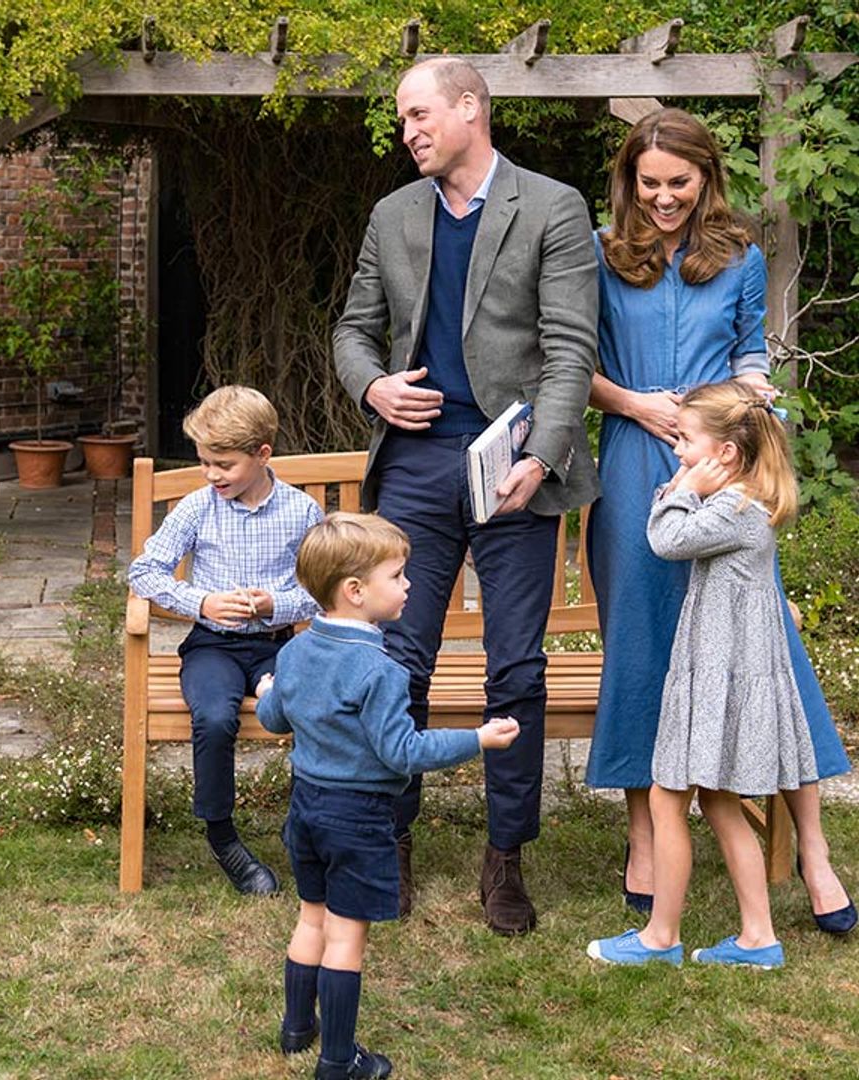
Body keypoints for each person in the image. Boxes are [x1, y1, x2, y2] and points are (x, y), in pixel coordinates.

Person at [333, 57, 598, 933]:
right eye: (403, 119)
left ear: (470, 109)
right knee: (397, 664)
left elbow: (569, 351)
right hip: (413, 467)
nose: (407, 132)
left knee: (515, 668)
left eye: (418, 115)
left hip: (514, 470)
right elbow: (350, 329)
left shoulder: (553, 207)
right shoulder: (392, 215)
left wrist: (546, 455)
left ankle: (505, 857)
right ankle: (392, 840)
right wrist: (372, 387)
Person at [584, 107, 854, 934]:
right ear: (630, 180)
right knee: (642, 640)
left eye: (679, 183)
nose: (664, 199)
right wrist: (639, 405)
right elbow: (574, 363)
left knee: (763, 640)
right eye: (650, 183)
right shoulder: (599, 253)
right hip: (636, 462)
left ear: (707, 179)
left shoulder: (737, 256)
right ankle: (643, 834)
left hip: (726, 466)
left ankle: (812, 847)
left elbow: (750, 350)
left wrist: (750, 390)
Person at [256, 512, 520, 1079]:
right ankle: (338, 1061)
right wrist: (478, 738)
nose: (408, 586)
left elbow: (275, 717)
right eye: (398, 576)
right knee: (346, 936)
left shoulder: (296, 652)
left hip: (305, 807)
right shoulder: (381, 671)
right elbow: (403, 752)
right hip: (358, 816)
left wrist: (265, 689)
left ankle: (297, 1029)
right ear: (355, 592)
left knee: (311, 919)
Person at [589, 382, 820, 968]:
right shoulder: (742, 502)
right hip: (719, 673)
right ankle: (757, 937)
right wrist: (686, 486)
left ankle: (659, 938)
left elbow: (665, 540)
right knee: (717, 802)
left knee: (668, 800)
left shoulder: (733, 508)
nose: (679, 452)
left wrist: (681, 490)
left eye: (688, 441)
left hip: (719, 680)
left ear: (727, 455)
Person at [128, 385, 322, 895]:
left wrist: (274, 604)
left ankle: (302, 828)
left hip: (279, 646)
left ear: (262, 454)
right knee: (214, 718)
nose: (212, 475)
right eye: (204, 463)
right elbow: (144, 572)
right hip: (212, 647)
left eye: (224, 464)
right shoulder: (197, 508)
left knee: (309, 709)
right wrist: (201, 602)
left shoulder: (301, 513)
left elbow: (323, 591)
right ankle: (222, 836)